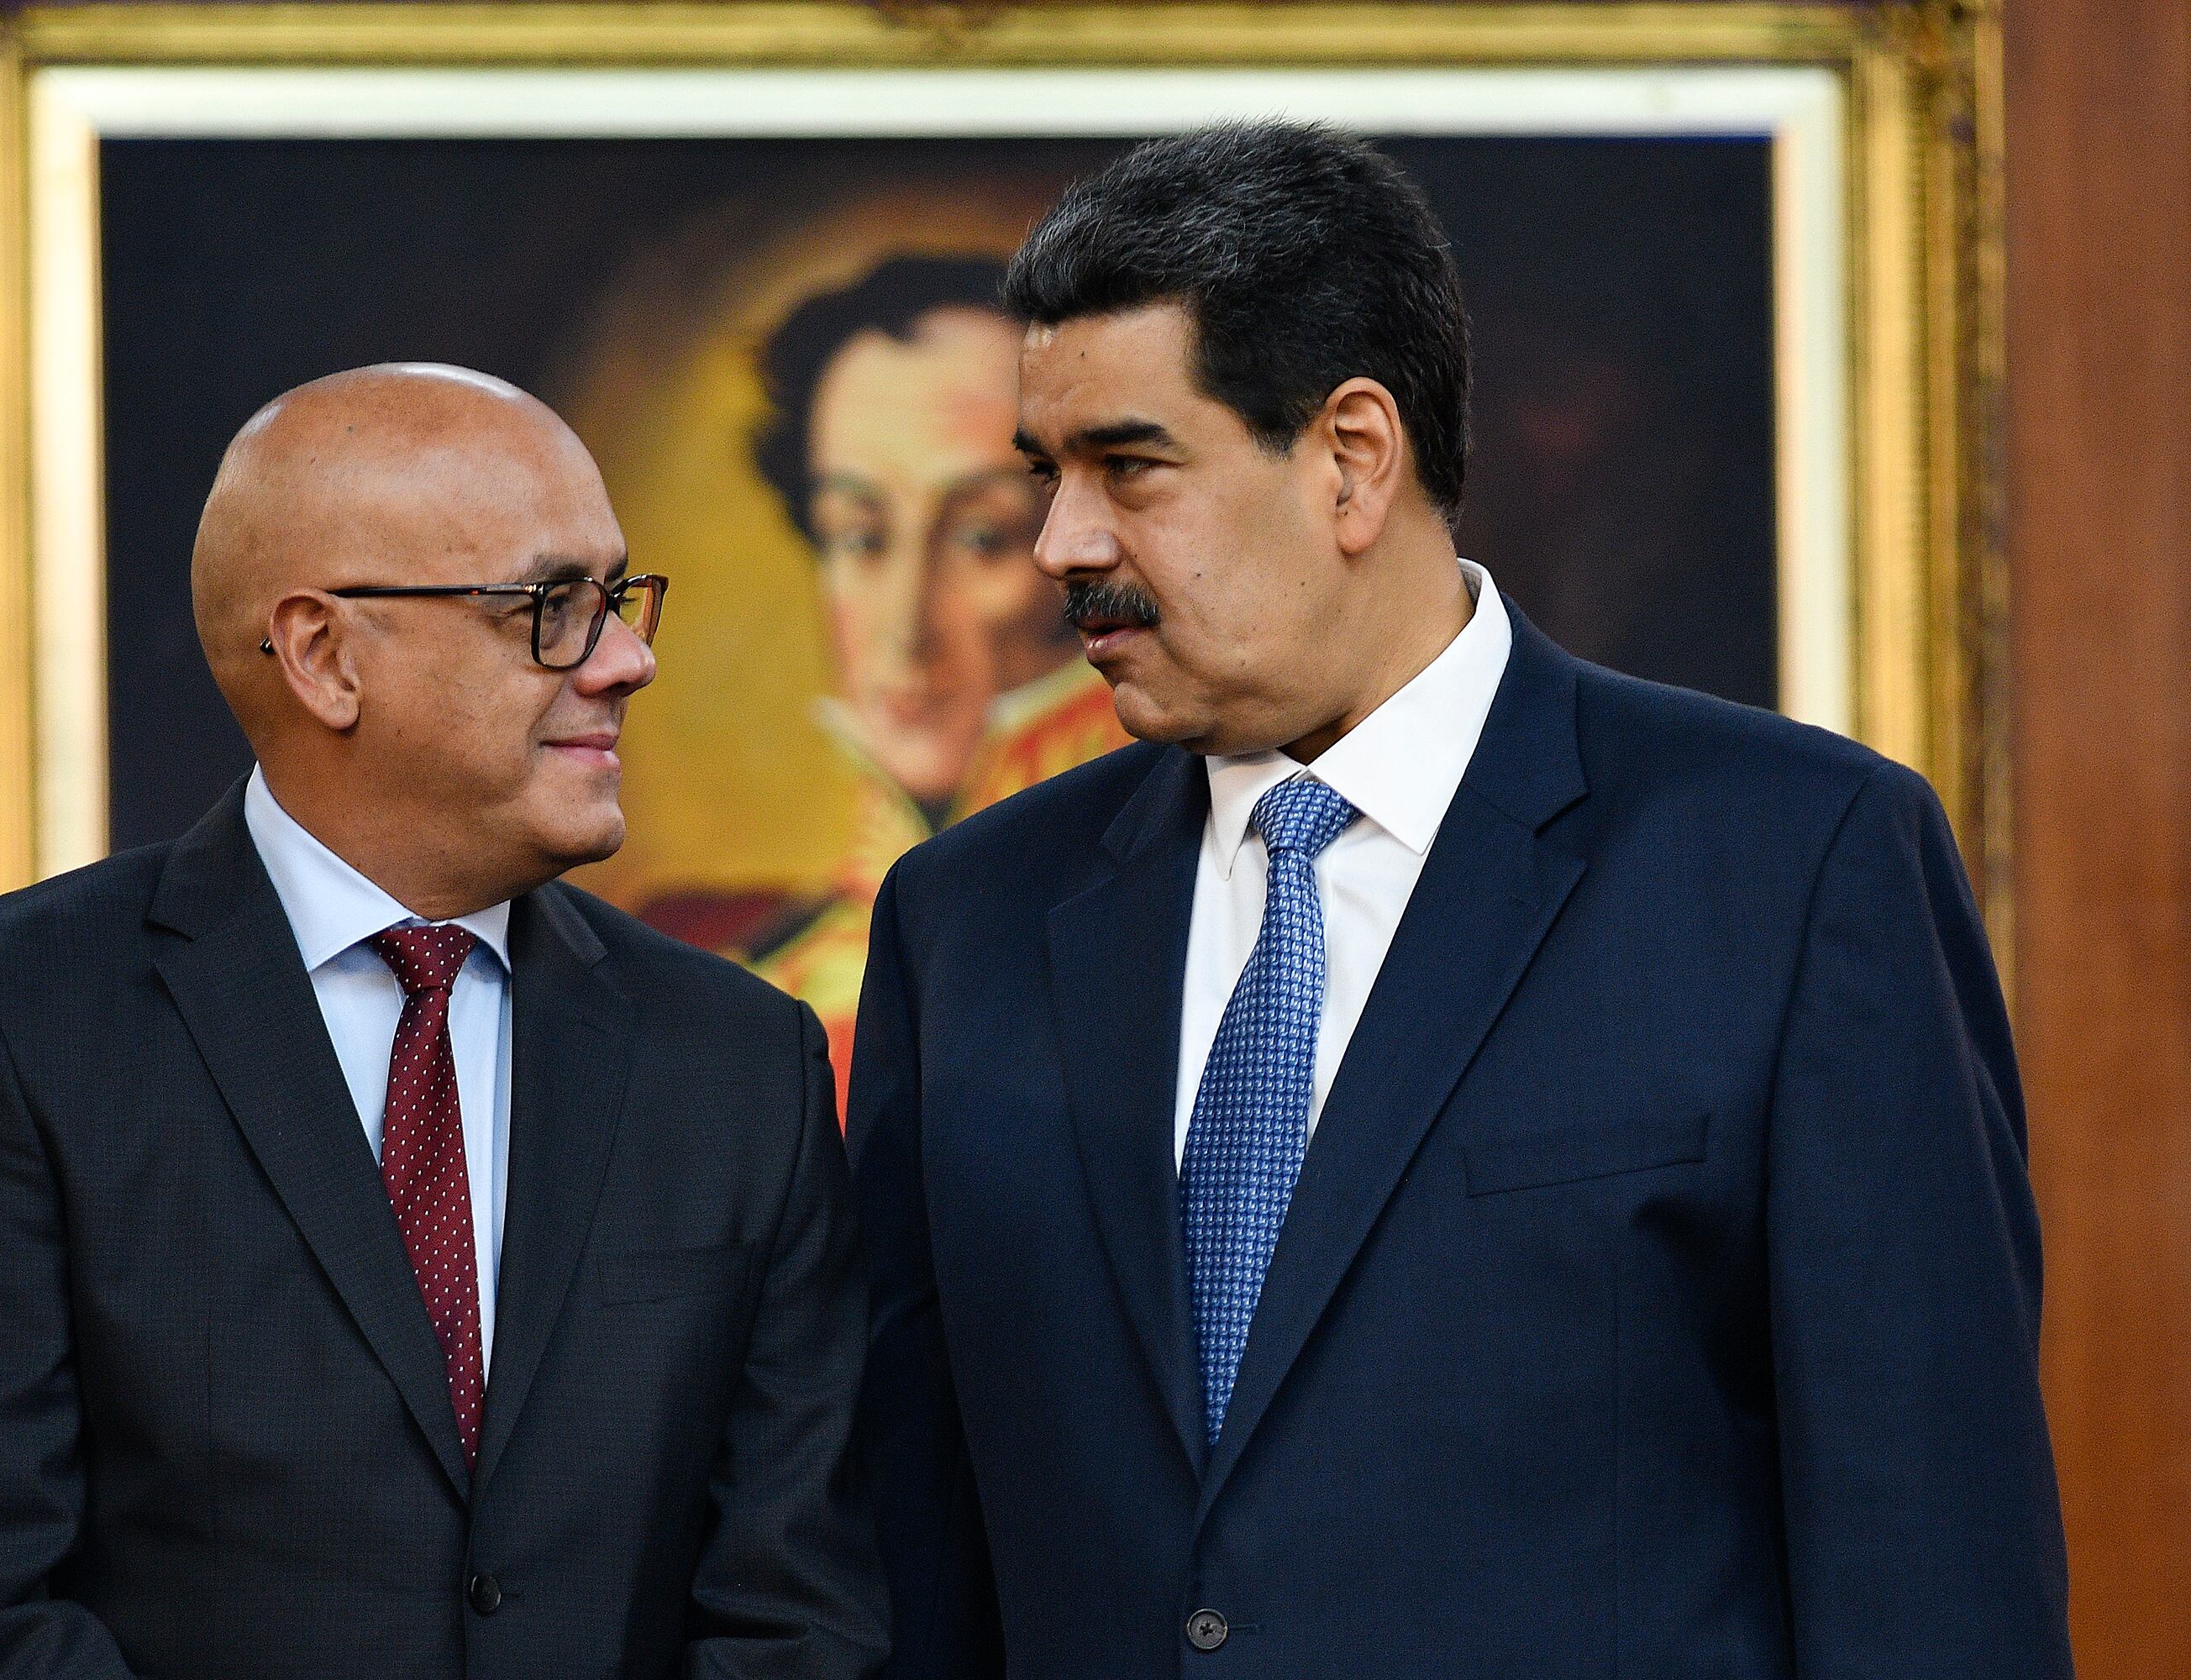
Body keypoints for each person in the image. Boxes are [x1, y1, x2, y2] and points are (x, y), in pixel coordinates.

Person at [849, 126, 2070, 1678]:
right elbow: (909, 1555)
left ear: (1354, 457)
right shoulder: (967, 922)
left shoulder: (1795, 861)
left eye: (1129, 468)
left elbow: (1930, 1564)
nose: (1061, 547)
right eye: (1048, 476)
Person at [0, 364, 888, 1680]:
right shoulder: (3, 1028)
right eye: (553, 606)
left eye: (618, 600)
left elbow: (803, 1612)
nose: (627, 659)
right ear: (323, 655)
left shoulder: (736, 1062)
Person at [643, 257, 1126, 1099]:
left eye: (984, 538)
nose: (906, 623)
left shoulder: (1191, 935)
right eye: (861, 536)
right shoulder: (703, 965)